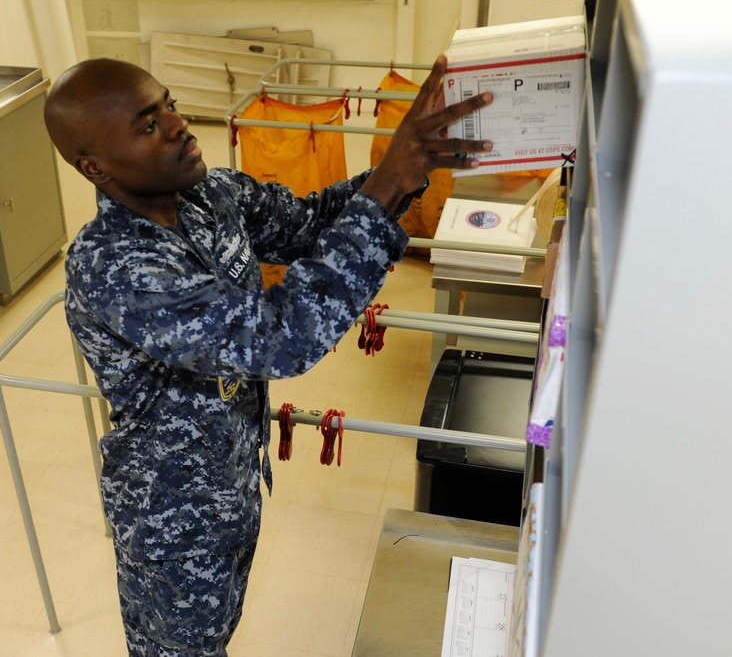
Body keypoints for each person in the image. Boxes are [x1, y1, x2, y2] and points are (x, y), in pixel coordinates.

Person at [43, 56, 492, 656]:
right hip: (173, 517)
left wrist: (402, 171)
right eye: (148, 125)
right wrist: (391, 179)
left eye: (170, 104)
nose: (178, 125)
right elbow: (278, 338)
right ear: (93, 167)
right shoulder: (115, 266)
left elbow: (310, 224)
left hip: (231, 485)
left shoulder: (208, 195)